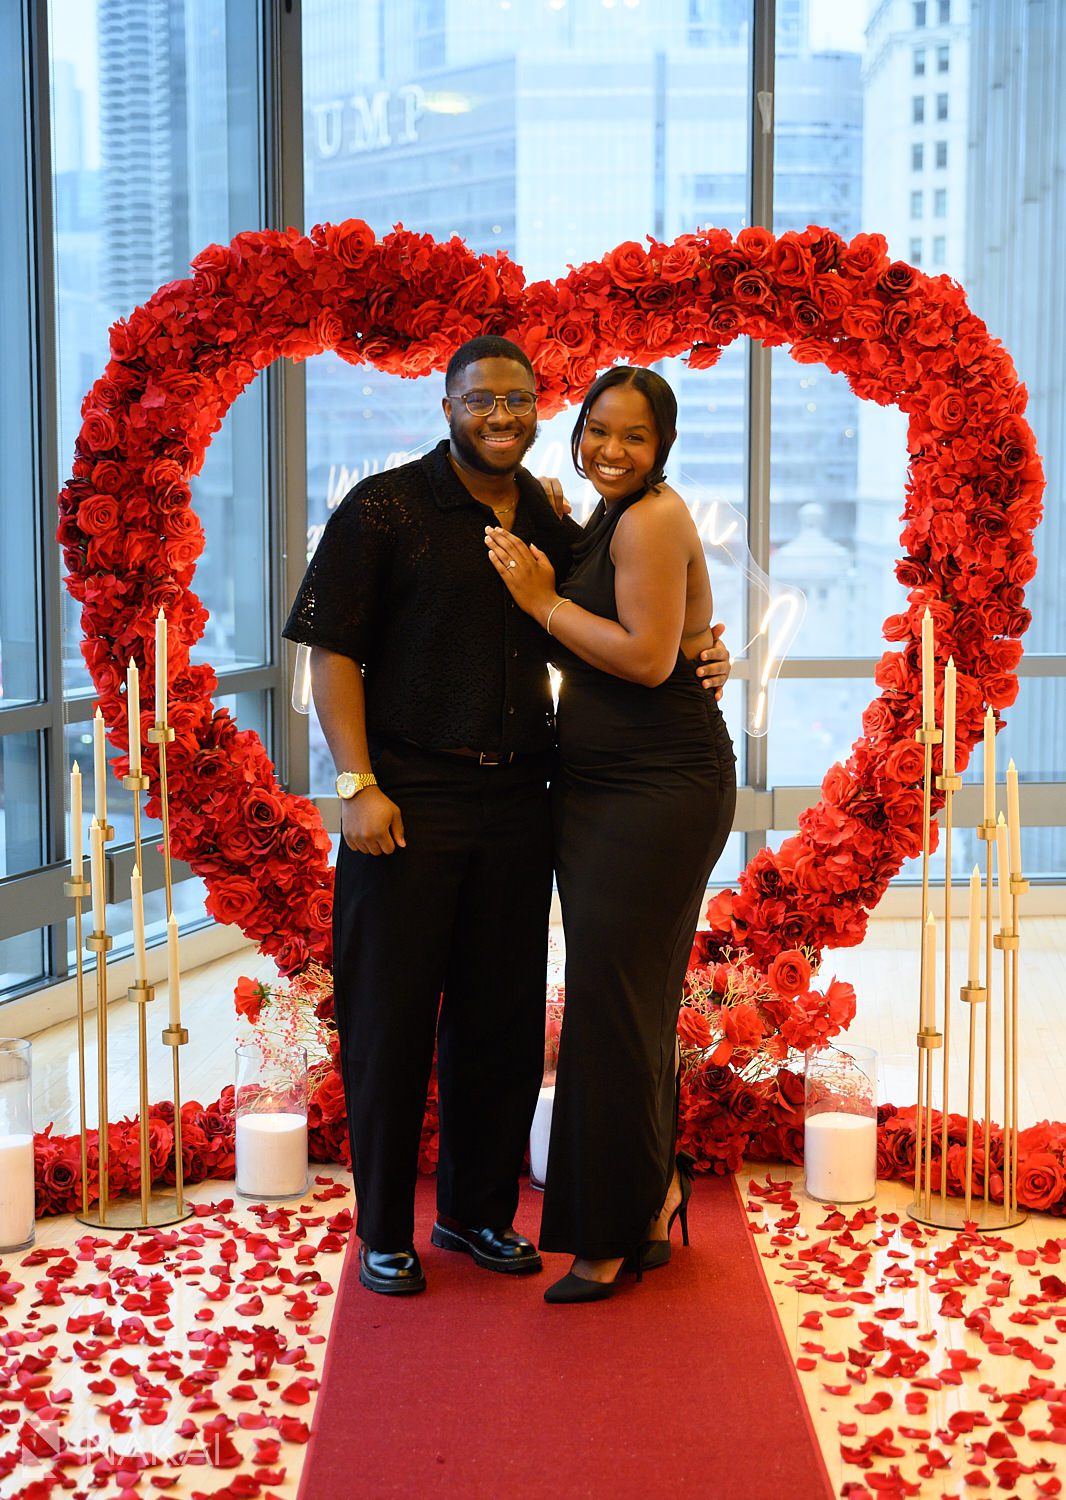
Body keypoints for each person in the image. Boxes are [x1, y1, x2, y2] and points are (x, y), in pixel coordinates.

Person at [284, 337, 731, 1296]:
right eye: (482, 398)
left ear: (539, 410)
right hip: (406, 797)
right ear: (447, 404)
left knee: (500, 1020)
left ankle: (477, 1213)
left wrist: (700, 645)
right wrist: (356, 784)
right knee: (390, 1019)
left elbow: (613, 610)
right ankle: (382, 1232)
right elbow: (332, 655)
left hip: (524, 794)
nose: (502, 415)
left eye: (520, 400)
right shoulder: (384, 507)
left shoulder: (545, 509)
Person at [485, 365, 737, 1304]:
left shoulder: (654, 516)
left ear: (662, 446)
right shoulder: (604, 515)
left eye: (634, 436)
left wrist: (542, 602)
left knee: (608, 1001)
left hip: (658, 788)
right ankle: (650, 1195)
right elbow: (639, 629)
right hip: (596, 789)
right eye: (597, 430)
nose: (612, 450)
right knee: (626, 1001)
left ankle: (607, 1235)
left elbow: (643, 657)